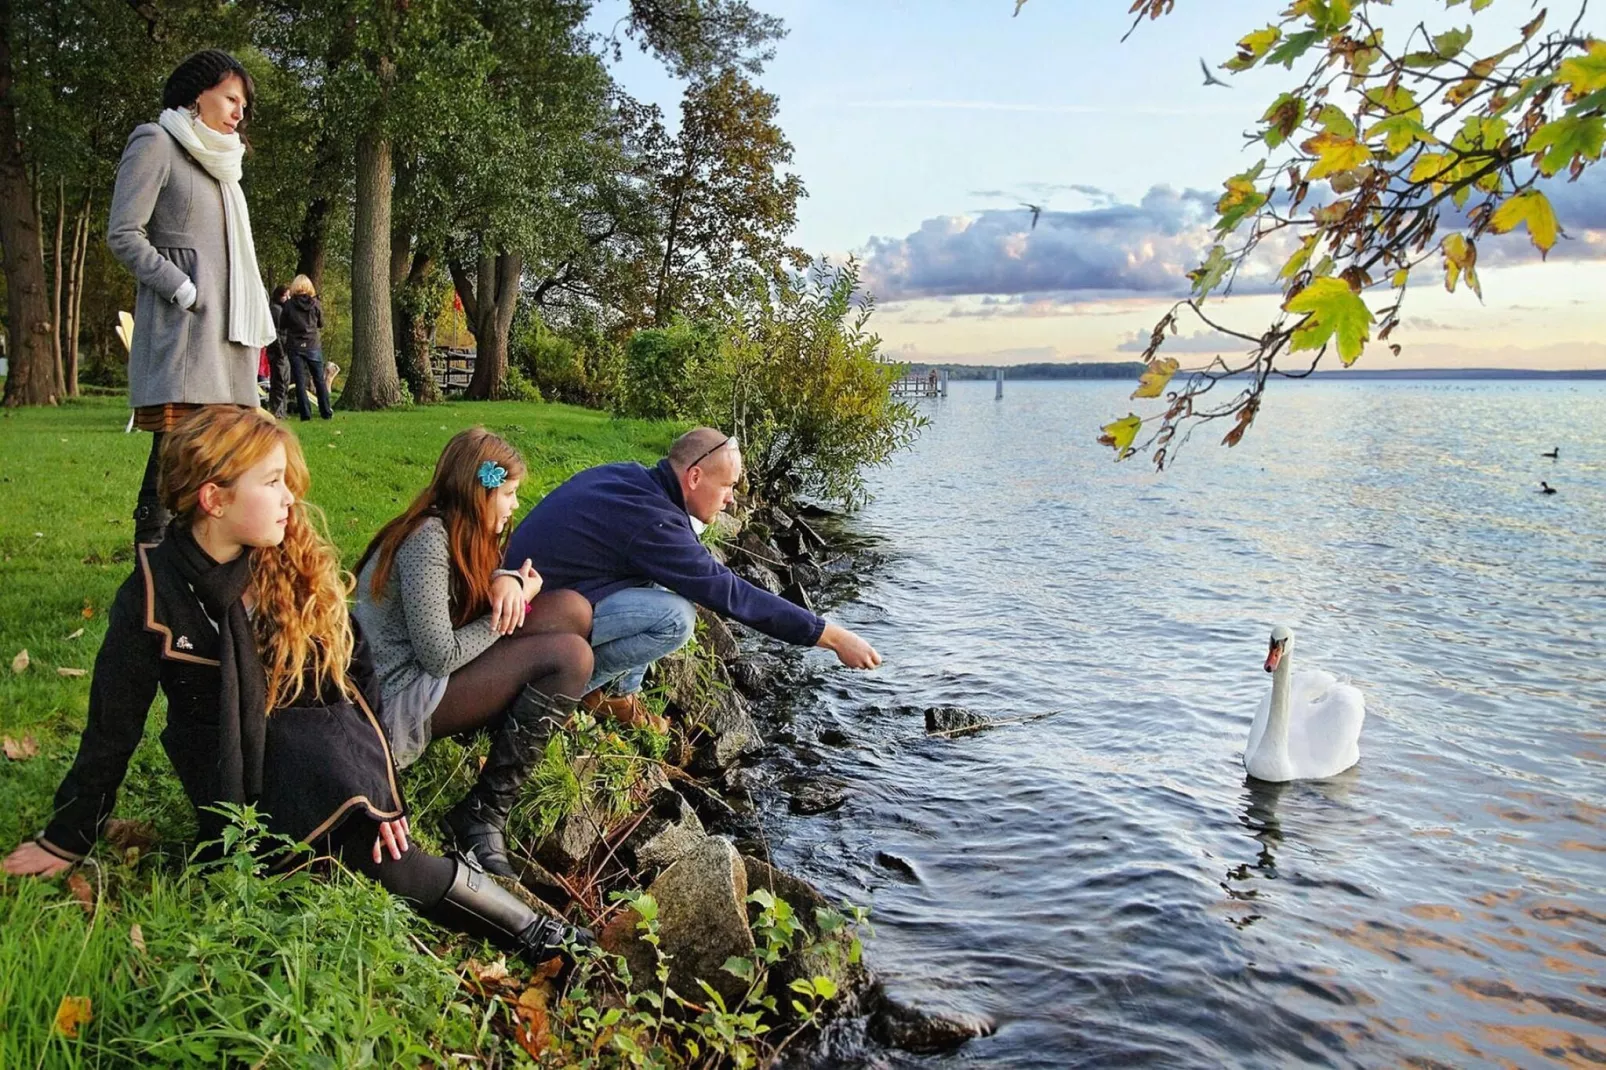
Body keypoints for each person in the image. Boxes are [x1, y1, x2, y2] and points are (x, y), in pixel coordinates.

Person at [1, 408, 590, 963]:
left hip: (323, 745)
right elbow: (113, 725)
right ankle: (549, 939)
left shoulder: (287, 560)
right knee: (392, 860)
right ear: (214, 498)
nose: (291, 498)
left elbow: (352, 684)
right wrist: (67, 836)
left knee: (391, 852)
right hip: (242, 770)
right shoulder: (154, 596)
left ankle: (549, 940)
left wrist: (373, 787)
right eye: (274, 482)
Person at [503, 427, 882, 726]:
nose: (732, 498)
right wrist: (832, 637)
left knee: (662, 581)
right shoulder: (655, 523)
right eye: (728, 485)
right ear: (695, 476)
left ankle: (616, 697)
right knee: (676, 618)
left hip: (534, 597)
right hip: (533, 618)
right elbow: (732, 595)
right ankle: (554, 697)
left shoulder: (632, 478)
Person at [353, 429, 594, 877]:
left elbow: (468, 596)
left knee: (572, 611)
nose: (514, 505)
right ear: (479, 491)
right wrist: (513, 608)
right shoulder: (427, 538)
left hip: (430, 675)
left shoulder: (460, 527)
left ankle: (500, 743)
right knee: (572, 658)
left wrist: (508, 580)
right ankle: (483, 813)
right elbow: (440, 656)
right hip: (394, 700)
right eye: (508, 494)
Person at [108, 49, 278, 546]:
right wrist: (181, 288)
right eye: (230, 98)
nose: (238, 111)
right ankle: (151, 560)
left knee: (221, 459)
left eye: (242, 103)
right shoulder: (157, 142)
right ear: (196, 93)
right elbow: (123, 233)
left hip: (227, 339)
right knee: (174, 454)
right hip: (184, 335)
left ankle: (199, 562)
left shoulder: (225, 166)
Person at [280, 274, 331, 420]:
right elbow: (321, 323)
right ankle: (326, 411)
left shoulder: (289, 305)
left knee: (300, 382)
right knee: (319, 379)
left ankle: (305, 414)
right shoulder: (315, 304)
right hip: (312, 344)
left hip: (295, 345)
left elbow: (283, 324)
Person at [264, 284, 291, 419]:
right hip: (278, 352)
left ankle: (282, 410)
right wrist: (280, 351)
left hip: (283, 350)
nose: (288, 298)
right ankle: (277, 411)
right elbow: (276, 334)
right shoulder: (275, 310)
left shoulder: (281, 309)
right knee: (279, 382)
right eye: (286, 295)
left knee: (284, 382)